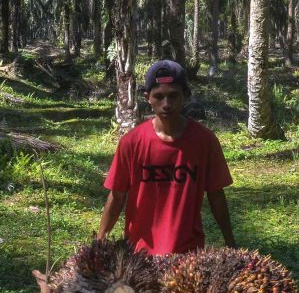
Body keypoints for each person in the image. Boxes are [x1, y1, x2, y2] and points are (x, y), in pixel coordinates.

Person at [98, 59, 235, 255]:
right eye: (159, 96)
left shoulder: (205, 141)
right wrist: (100, 239)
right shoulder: (132, 142)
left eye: (173, 96)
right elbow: (117, 195)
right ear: (148, 97)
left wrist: (230, 241)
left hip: (188, 254)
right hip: (139, 254)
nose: (166, 104)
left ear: (185, 96)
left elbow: (216, 194)